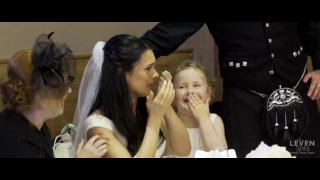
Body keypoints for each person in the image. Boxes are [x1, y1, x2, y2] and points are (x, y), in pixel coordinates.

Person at [140, 22, 320, 158]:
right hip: (244, 98)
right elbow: (172, 29)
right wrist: (129, 56)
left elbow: (314, 29)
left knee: (308, 153)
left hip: (298, 86)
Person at [72, 34, 191, 158]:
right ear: (122, 73)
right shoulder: (98, 127)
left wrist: (166, 106)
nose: (155, 74)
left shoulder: (145, 105)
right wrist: (154, 121)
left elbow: (183, 149)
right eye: (148, 68)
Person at [0, 32, 108, 158]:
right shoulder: (19, 146)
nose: (69, 91)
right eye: (62, 88)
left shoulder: (30, 123)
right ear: (40, 97)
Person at [167, 60, 227, 158]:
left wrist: (203, 119)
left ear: (209, 91)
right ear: (172, 95)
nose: (190, 91)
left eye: (196, 85)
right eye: (182, 87)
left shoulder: (214, 120)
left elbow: (220, 155)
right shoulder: (168, 122)